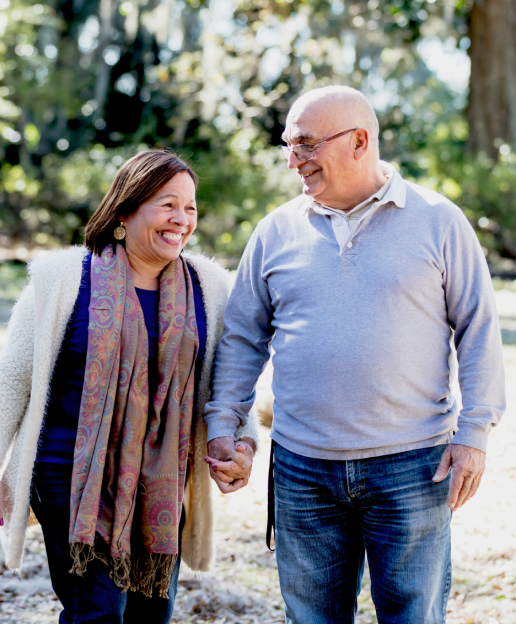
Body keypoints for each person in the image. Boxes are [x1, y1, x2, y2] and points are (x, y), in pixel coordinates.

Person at [203, 86, 506, 623]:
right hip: (302, 468)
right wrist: (224, 424)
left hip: (414, 467)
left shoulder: (438, 220)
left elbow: (479, 332)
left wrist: (474, 433)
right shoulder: (275, 231)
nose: (293, 160)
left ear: (360, 141)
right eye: (288, 146)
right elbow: (243, 339)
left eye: (305, 145)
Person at [0, 149, 258, 624]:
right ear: (125, 210)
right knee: (97, 612)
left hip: (160, 482)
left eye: (191, 208)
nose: (182, 219)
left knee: (149, 614)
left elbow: (230, 380)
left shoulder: (209, 288)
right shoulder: (61, 280)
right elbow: (11, 383)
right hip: (68, 471)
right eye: (167, 204)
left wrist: (242, 441)